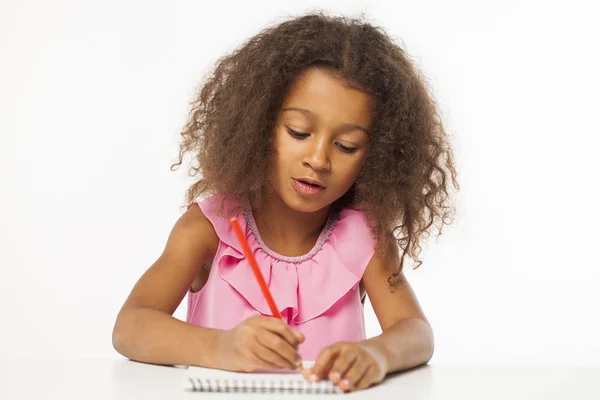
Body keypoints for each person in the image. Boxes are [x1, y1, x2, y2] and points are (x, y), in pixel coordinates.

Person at [112, 11, 458, 392]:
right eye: (298, 132)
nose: (319, 159)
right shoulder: (209, 230)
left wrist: (378, 354)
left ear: (376, 155)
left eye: (346, 146)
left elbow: (416, 333)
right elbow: (130, 325)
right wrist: (221, 347)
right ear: (259, 125)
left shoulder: (365, 239)